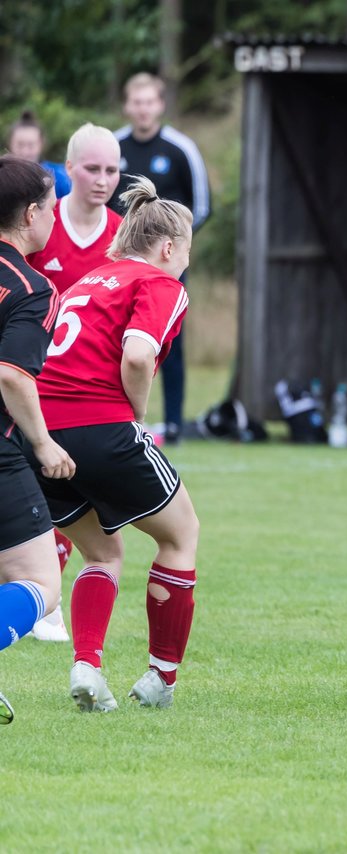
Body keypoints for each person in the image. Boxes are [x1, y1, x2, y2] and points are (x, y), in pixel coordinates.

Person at [28, 176, 199, 712]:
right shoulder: (161, 284)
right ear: (168, 248)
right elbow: (137, 354)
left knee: (101, 551)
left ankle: (87, 667)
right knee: (180, 535)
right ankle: (160, 679)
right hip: (102, 426)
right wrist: (138, 417)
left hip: (43, 434)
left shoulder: (90, 279)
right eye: (187, 252)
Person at [23, 123, 123, 642]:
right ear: (68, 169)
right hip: (31, 382)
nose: (102, 180)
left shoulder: (124, 235)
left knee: (74, 485)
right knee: (40, 483)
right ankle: (40, 590)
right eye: (91, 168)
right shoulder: (40, 226)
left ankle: (47, 595)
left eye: (111, 169)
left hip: (93, 393)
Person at [0, 155, 77, 724]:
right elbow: (11, 374)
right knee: (38, 582)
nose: (54, 218)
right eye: (51, 208)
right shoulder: (32, 286)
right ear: (30, 215)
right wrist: (44, 443)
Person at [108, 73, 210, 446]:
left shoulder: (180, 148)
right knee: (120, 340)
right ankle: (120, 420)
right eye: (136, 102)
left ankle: (174, 424)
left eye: (149, 101)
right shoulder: (114, 147)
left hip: (167, 266)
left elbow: (201, 205)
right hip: (120, 267)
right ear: (127, 106)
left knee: (170, 342)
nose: (143, 109)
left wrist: (170, 247)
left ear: (160, 105)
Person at [6, 111, 71, 198]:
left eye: (31, 145)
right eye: (20, 145)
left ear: (41, 144)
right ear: (10, 143)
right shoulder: (3, 177)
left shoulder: (59, 176)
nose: (25, 152)